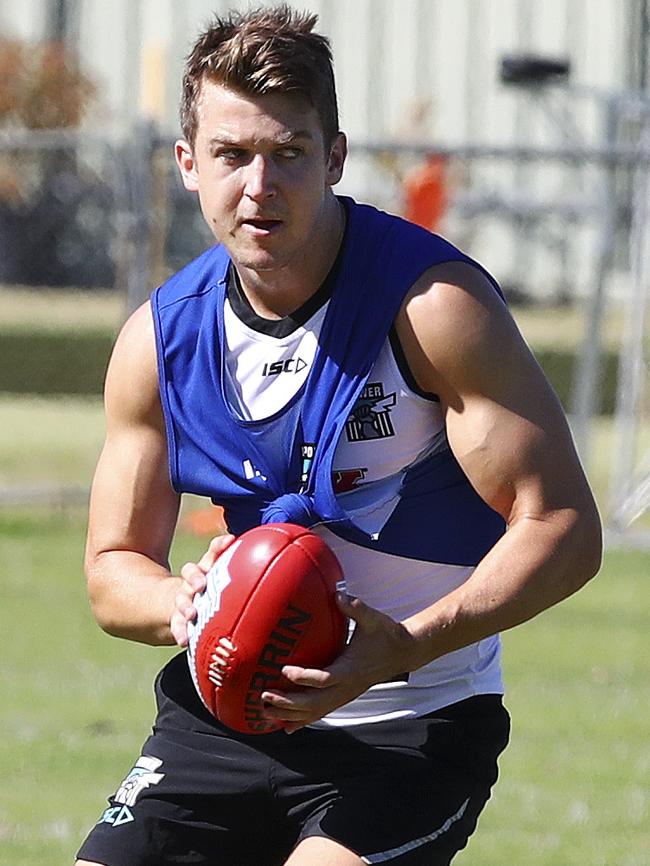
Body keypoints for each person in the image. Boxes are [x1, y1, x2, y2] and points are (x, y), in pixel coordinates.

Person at [75, 6, 602, 866]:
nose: (259, 185)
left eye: (287, 153)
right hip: (229, 716)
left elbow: (564, 529)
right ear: (186, 165)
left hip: (413, 726)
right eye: (231, 155)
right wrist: (181, 603)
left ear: (336, 157)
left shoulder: (431, 311)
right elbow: (110, 571)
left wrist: (406, 647)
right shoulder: (159, 341)